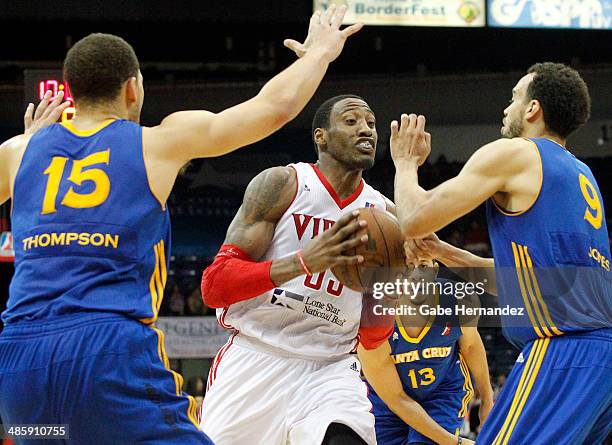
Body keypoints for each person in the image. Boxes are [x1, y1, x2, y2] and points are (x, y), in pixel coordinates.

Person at [0, 6, 362, 444]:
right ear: (133, 89)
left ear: (72, 92)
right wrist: (319, 54)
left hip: (19, 361)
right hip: (105, 351)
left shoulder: (19, 152)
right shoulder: (155, 143)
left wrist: (26, 151)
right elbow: (273, 109)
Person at [391, 63, 611, 444]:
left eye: (514, 98)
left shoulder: (516, 153)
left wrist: (406, 164)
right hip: (601, 355)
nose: (506, 109)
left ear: (532, 109)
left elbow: (412, 218)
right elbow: (533, 281)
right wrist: (450, 253)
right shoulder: (581, 173)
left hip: (563, 349)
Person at [199, 94, 398, 445]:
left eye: (371, 123)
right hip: (256, 357)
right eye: (351, 122)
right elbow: (214, 287)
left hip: (331, 365)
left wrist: (389, 290)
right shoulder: (283, 185)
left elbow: (373, 335)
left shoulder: (383, 214)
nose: (366, 129)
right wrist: (303, 262)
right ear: (321, 136)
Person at [359, 256, 493, 445]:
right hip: (388, 400)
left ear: (435, 270)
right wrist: (457, 443)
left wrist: (487, 398)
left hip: (443, 391)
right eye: (407, 267)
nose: (416, 275)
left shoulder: (459, 300)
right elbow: (396, 398)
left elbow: (470, 345)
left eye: (423, 266)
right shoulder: (373, 319)